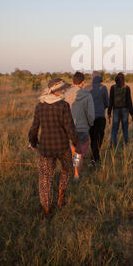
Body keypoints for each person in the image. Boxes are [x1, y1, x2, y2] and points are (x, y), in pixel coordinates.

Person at [28, 78, 79, 217]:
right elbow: (70, 128)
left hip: (45, 148)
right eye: (63, 89)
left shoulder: (40, 106)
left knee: (45, 179)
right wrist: (76, 142)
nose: (64, 91)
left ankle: (46, 209)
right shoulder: (63, 105)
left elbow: (34, 128)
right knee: (67, 170)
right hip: (63, 147)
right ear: (57, 91)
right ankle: (61, 196)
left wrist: (32, 142)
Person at [64, 71, 95, 180]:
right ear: (82, 83)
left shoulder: (65, 94)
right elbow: (91, 114)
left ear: (72, 82)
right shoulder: (88, 95)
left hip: (69, 128)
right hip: (82, 128)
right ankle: (76, 175)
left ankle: (73, 172)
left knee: (73, 151)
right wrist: (90, 124)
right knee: (79, 152)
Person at [85, 71, 109, 166]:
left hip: (89, 118)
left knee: (93, 138)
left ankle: (94, 157)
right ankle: (95, 158)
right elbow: (107, 103)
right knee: (99, 137)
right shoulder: (103, 88)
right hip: (100, 117)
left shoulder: (86, 88)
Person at [108, 72, 133, 147]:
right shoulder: (127, 88)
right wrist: (132, 113)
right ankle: (126, 144)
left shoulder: (112, 88)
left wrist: (109, 113)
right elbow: (129, 101)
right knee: (125, 128)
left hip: (116, 110)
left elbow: (111, 101)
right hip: (125, 110)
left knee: (114, 129)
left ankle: (113, 145)